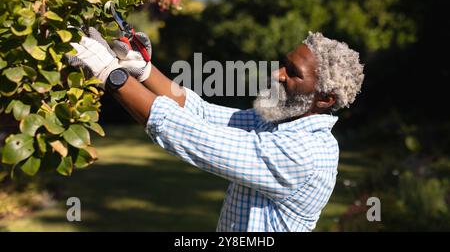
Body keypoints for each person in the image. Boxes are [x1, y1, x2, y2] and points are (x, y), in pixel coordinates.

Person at [66, 28, 364, 232]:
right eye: (284, 64)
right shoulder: (278, 124)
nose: (277, 74)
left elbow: (195, 137)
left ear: (325, 99)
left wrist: (109, 74)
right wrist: (142, 70)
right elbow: (202, 113)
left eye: (293, 73)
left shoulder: (306, 154)